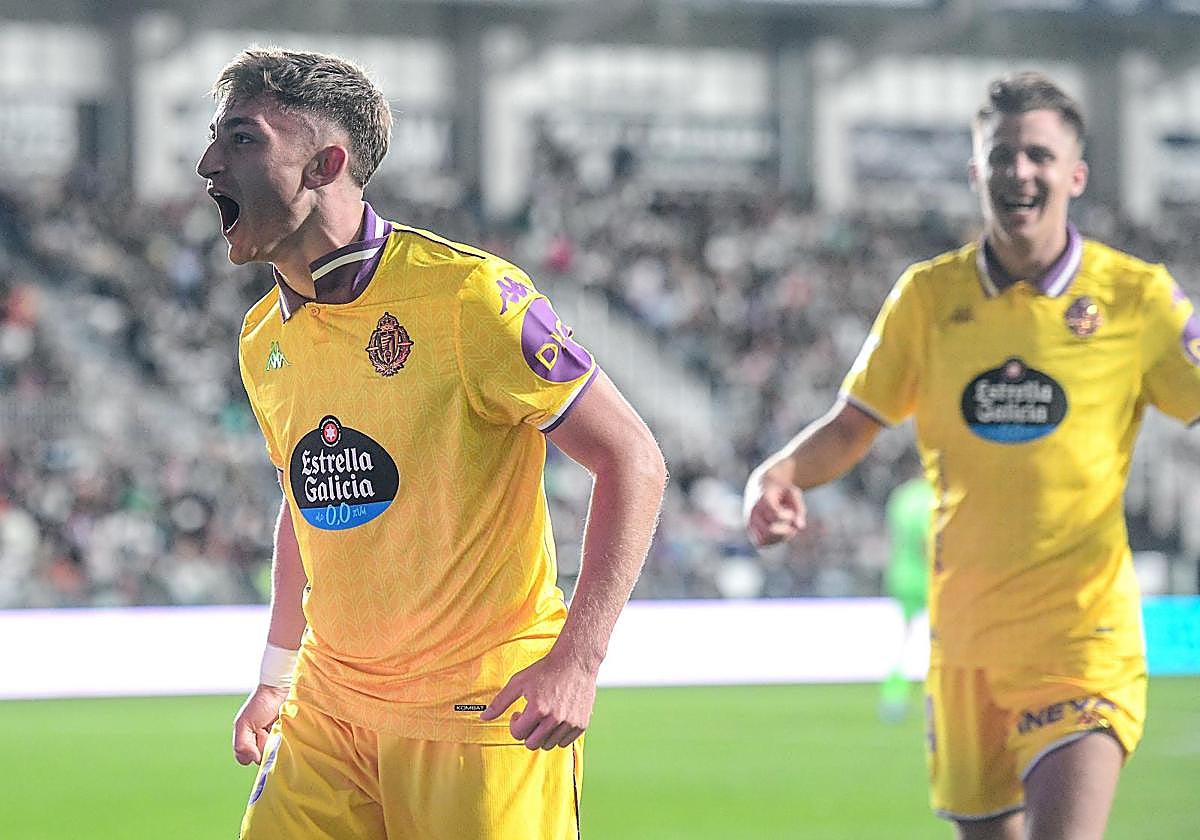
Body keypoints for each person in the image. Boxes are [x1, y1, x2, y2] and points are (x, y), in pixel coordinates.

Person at [197, 48, 667, 839]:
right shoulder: (259, 338)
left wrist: (577, 662)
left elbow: (634, 460)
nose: (208, 162)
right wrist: (275, 679)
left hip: (480, 711)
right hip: (330, 709)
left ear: (326, 164)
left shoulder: (469, 298)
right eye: (214, 138)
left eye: (242, 140)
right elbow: (305, 507)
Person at [744, 72, 1200, 840]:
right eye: (1001, 155)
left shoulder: (1138, 298)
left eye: (1038, 156)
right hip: (965, 651)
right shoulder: (927, 298)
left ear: (1075, 175)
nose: (1019, 171)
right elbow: (854, 423)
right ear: (975, 171)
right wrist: (779, 473)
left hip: (1081, 638)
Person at [879, 458, 933, 723]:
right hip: (930, 579)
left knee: (903, 641)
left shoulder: (901, 496)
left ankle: (894, 697)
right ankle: (937, 699)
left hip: (900, 574)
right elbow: (929, 541)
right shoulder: (932, 497)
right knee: (942, 643)